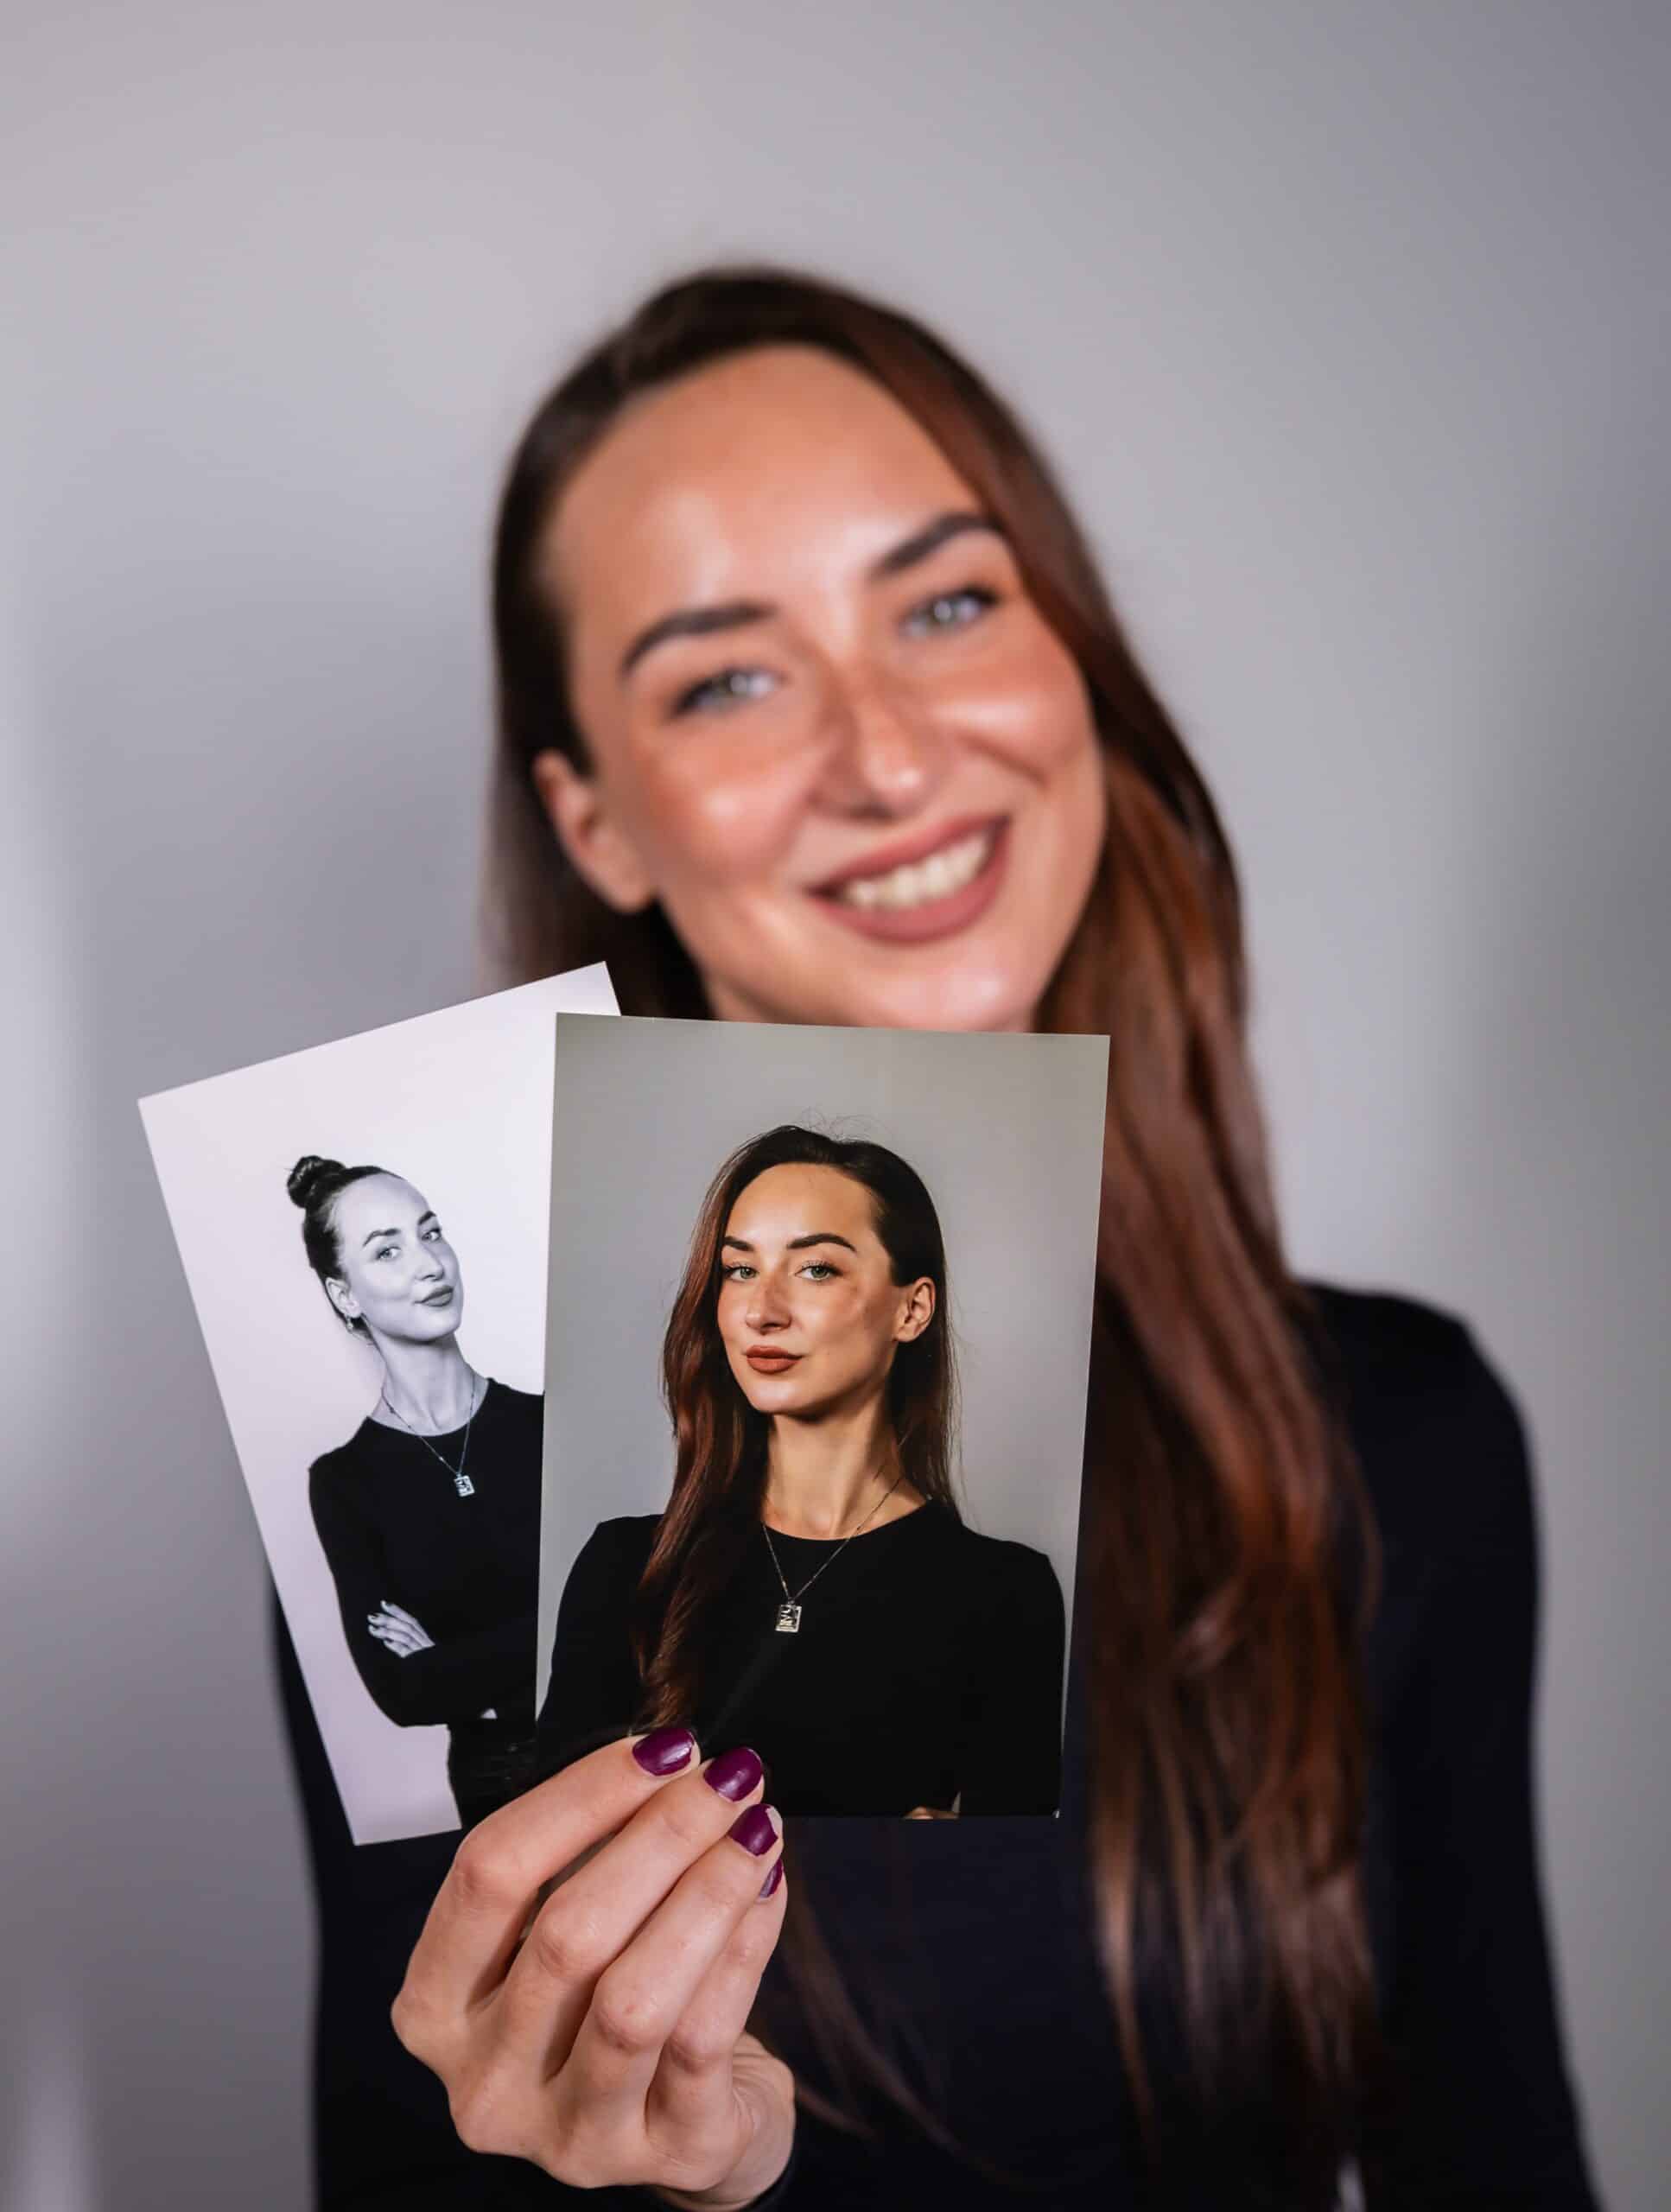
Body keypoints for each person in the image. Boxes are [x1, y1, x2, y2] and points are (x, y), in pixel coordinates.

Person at [273, 267, 1603, 2208]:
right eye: (725, 678)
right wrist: (663, 2182)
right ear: (597, 821)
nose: (888, 758)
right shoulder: (512, 1544)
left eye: (947, 603)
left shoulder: (1400, 1443)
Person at [535, 1124, 1067, 1817]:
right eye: (740, 1269)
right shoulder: (626, 1565)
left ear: (912, 1310)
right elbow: (549, 1836)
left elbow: (1010, 1868)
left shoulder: (1006, 1595)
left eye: (816, 1269)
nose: (762, 1312)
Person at [289, 1154, 543, 1830]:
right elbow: (403, 1693)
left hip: (622, 1744)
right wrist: (551, 1632)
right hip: (496, 1781)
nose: (430, 1264)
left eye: (431, 1233)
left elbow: (634, 1618)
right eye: (388, 1250)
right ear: (345, 1294)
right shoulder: (345, 1483)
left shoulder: (551, 1424)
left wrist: (451, 1663)